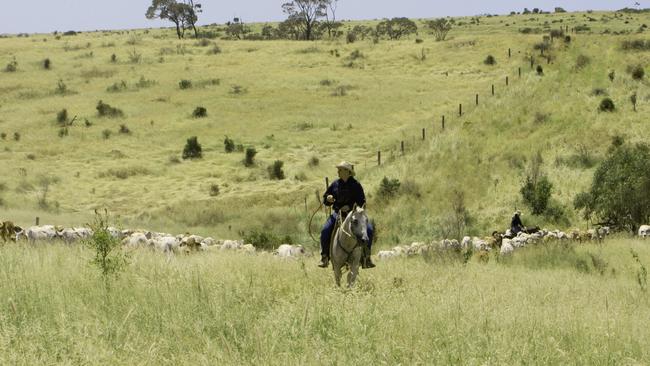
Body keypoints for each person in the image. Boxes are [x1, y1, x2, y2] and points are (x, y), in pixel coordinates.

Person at [318, 161, 375, 269]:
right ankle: (325, 257)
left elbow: (362, 202)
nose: (338, 172)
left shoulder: (356, 185)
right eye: (338, 170)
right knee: (325, 230)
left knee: (370, 230)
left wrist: (350, 207)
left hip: (354, 216)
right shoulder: (335, 184)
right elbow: (326, 199)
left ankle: (366, 258)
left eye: (340, 170)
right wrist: (328, 199)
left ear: (347, 172)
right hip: (337, 214)